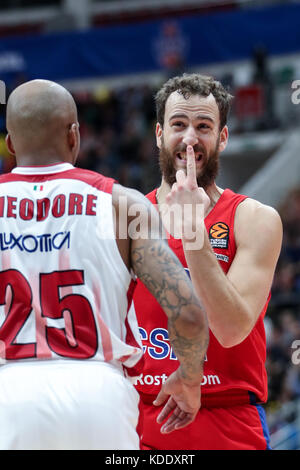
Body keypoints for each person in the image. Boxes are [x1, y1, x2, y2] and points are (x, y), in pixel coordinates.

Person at [0, 79, 208, 450]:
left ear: (11, 144)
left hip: (8, 394)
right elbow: (189, 314)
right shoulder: (123, 205)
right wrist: (190, 381)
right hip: (98, 394)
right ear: (74, 135)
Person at [133, 73, 283, 450]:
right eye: (178, 125)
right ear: (158, 134)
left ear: (223, 137)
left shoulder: (255, 219)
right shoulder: (125, 219)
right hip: (139, 416)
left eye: (203, 126)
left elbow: (231, 329)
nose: (189, 138)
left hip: (227, 418)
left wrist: (193, 232)